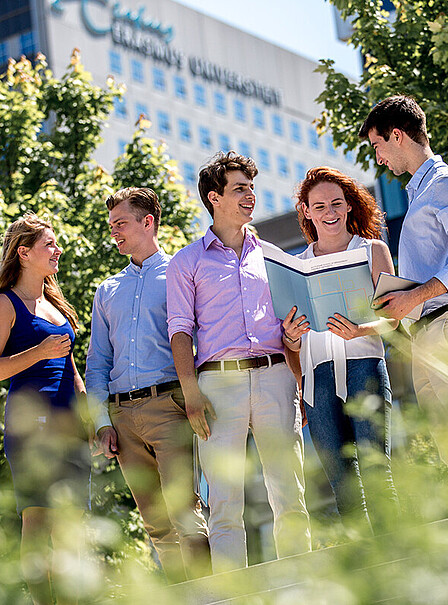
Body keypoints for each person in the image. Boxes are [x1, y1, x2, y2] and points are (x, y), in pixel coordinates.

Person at [166, 151, 311, 573]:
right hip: (217, 387)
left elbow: (289, 325)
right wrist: (191, 394)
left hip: (275, 376)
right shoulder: (187, 262)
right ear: (215, 197)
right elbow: (180, 332)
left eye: (251, 187)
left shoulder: (271, 255)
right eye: (240, 189)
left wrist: (297, 379)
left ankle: (300, 585)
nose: (251, 196)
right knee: (224, 500)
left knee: (290, 489)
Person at [85, 187, 210, 583]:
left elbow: (197, 340)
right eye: (110, 226)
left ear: (148, 222)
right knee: (156, 523)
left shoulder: (180, 272)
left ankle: (212, 593)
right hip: (123, 417)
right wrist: (101, 421)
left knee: (184, 512)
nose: (114, 232)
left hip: (169, 406)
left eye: (120, 223)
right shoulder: (107, 290)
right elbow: (98, 361)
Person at [283, 166, 400, 536]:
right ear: (306, 211)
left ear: (349, 206)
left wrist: (360, 329)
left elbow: (394, 318)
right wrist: (290, 336)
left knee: (375, 466)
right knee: (341, 482)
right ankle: (366, 569)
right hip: (317, 379)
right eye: (319, 206)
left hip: (364, 365)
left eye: (336, 203)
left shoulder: (372, 249)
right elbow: (290, 343)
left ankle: (400, 558)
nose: (329, 212)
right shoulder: (295, 266)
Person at [0, 213, 90, 605]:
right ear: (23, 253)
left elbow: (72, 370)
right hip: (31, 427)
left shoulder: (56, 304)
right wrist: (37, 352)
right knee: (38, 520)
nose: (57, 250)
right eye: (48, 244)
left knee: (73, 525)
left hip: (70, 426)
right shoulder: (6, 304)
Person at [359, 95, 448, 463]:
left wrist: (414, 297)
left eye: (378, 146)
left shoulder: (441, 184)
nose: (378, 158)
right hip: (425, 335)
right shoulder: (418, 193)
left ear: (397, 136)